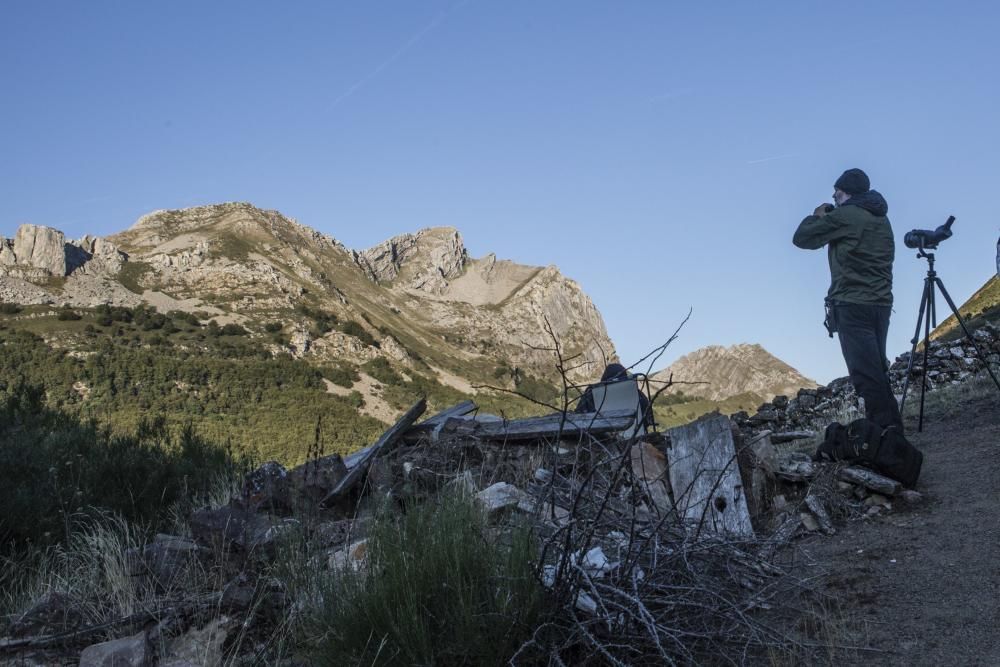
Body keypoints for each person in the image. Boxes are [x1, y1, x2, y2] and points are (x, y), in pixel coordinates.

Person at [793, 168, 903, 431]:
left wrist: (818, 215)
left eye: (838, 193)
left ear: (849, 193)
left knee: (865, 375)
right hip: (881, 305)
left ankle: (889, 438)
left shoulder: (846, 216)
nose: (833, 196)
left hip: (853, 306)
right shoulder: (881, 218)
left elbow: (801, 238)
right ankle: (889, 429)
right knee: (876, 369)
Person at [575, 362, 653, 428]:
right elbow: (648, 421)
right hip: (635, 437)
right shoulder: (639, 395)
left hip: (601, 437)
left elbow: (579, 415)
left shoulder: (592, 392)